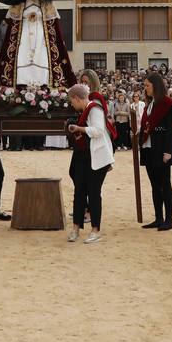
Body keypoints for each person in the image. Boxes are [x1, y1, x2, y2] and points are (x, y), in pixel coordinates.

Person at [66, 82, 113, 243]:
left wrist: (78, 129)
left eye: (72, 100)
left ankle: (95, 230)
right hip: (82, 155)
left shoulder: (94, 109)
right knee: (79, 192)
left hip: (96, 157)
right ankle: (75, 228)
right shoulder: (86, 110)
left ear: (77, 98)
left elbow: (98, 130)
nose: (71, 104)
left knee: (93, 193)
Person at [139, 72, 172, 231]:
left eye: (147, 85)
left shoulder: (167, 104)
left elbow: (170, 130)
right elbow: (148, 126)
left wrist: (168, 151)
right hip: (149, 149)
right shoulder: (150, 104)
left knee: (165, 184)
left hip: (162, 149)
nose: (145, 88)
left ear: (156, 85)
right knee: (155, 185)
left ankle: (169, 219)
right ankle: (158, 218)